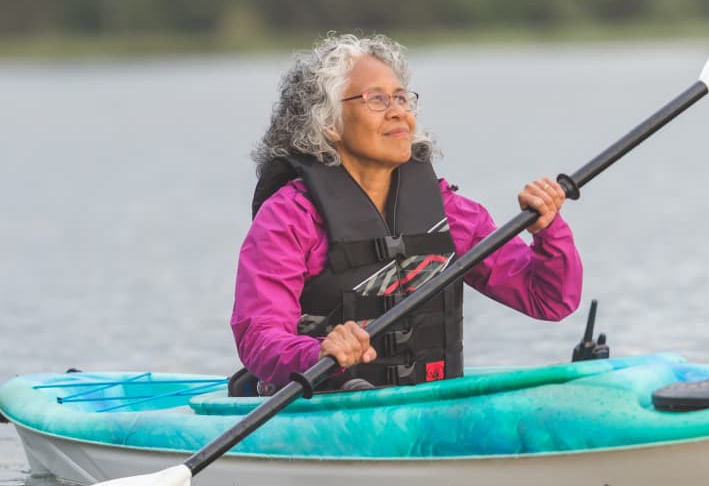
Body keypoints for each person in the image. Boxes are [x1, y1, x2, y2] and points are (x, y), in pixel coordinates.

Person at [230, 33, 583, 394]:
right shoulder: (290, 218)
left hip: (430, 404)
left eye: (401, 97)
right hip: (323, 408)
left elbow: (549, 299)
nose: (399, 110)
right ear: (329, 123)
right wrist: (318, 352)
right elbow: (258, 335)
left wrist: (548, 230)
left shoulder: (449, 212)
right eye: (376, 99)